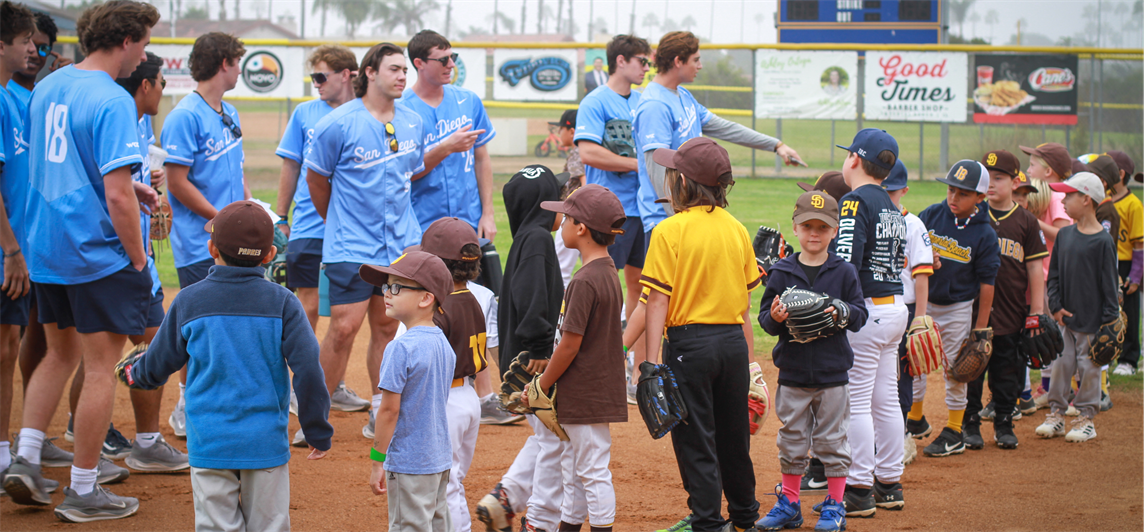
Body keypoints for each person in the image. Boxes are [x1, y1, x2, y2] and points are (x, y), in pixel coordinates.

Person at [3, 0, 160, 521]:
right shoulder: (112, 99)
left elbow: (63, 160)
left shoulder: (50, 83)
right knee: (99, 369)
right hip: (95, 253)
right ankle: (83, 490)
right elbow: (115, 199)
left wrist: (127, 186)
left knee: (57, 355)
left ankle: (25, 460)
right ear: (125, 41)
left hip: (47, 245)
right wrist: (138, 259)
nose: (144, 53)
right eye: (142, 41)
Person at [119, 200, 333, 531]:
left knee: (216, 525)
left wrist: (138, 373)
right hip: (264, 443)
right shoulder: (284, 302)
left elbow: (160, 362)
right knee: (270, 525)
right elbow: (308, 369)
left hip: (210, 440)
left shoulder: (189, 300)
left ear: (211, 248)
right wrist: (315, 427)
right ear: (268, 255)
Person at [303, 42, 425, 442]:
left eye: (404, 70)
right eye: (394, 68)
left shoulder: (412, 122)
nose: (402, 76)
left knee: (388, 328)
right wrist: (336, 222)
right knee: (343, 327)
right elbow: (316, 180)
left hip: (400, 244)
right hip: (352, 244)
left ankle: (379, 411)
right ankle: (314, 416)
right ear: (369, 73)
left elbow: (411, 176)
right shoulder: (338, 123)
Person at [642, 138, 762, 532]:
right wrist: (751, 361)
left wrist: (651, 363)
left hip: (689, 346)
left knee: (696, 442)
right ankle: (745, 516)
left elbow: (656, 302)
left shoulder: (668, 230)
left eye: (673, 172)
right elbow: (744, 306)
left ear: (684, 182)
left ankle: (709, 523)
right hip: (730, 345)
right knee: (733, 437)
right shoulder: (737, 230)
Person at [755, 189, 868, 532]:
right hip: (793, 372)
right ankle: (790, 502)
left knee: (833, 440)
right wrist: (774, 316)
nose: (814, 233)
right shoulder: (782, 271)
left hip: (833, 373)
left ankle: (835, 506)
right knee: (791, 438)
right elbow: (765, 320)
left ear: (834, 230)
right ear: (795, 228)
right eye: (807, 226)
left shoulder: (844, 271)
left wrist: (844, 311)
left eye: (822, 226)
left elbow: (860, 315)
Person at [161, 31, 252, 436]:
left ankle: (225, 397)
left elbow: (239, 172)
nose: (239, 69)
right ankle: (185, 401)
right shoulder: (185, 115)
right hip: (201, 240)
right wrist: (222, 220)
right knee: (197, 322)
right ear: (222, 64)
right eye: (236, 61)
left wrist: (252, 214)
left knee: (235, 320)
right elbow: (177, 181)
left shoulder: (227, 110)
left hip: (235, 237)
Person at [633, 31, 803, 244]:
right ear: (678, 61)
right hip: (668, 223)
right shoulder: (655, 105)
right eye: (696, 60)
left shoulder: (683, 96)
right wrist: (680, 220)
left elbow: (724, 128)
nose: (700, 66)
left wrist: (775, 145)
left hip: (690, 217)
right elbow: (657, 171)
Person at [525, 184, 627, 532]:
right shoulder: (607, 271)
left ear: (581, 228)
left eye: (566, 217)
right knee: (574, 466)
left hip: (587, 393)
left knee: (593, 471)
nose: (562, 223)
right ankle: (568, 526)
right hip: (586, 391)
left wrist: (542, 383)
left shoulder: (584, 280)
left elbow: (569, 344)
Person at [110, 51, 190, 472]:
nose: (162, 88)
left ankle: (111, 436)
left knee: (96, 353)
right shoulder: (120, 117)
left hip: (128, 259)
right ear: (145, 85)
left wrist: (149, 181)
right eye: (160, 81)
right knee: (150, 345)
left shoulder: (139, 123)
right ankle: (144, 442)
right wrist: (141, 262)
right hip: (124, 261)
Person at [475, 165, 566, 532]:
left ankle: (506, 497)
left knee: (552, 437)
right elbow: (533, 297)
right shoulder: (538, 240)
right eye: (557, 200)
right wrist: (539, 347)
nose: (562, 208)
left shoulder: (527, 238)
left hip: (526, 359)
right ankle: (539, 519)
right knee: (556, 442)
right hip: (534, 362)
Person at [831, 129, 907, 517]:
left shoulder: (854, 200)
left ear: (855, 160)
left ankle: (859, 488)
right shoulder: (892, 206)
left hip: (866, 312)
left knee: (857, 403)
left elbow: (845, 262)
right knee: (886, 398)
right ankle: (889, 484)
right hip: (894, 309)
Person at [575, 35, 651, 403]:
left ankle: (638, 373)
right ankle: (599, 367)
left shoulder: (644, 101)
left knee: (643, 289)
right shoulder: (595, 101)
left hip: (645, 209)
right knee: (603, 289)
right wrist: (639, 164)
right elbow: (587, 152)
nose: (646, 67)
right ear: (620, 61)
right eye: (640, 60)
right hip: (610, 210)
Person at [361, 251, 456, 531]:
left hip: (409, 462)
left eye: (397, 287)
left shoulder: (400, 348)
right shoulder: (443, 344)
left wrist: (377, 460)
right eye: (387, 286)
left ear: (426, 298)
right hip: (439, 458)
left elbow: (389, 410)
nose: (387, 293)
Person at [913, 160, 1000, 459]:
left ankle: (954, 430)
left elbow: (987, 284)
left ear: (980, 198)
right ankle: (915, 418)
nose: (953, 198)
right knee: (915, 359)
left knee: (956, 369)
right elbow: (912, 247)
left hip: (958, 308)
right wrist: (926, 259)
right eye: (951, 190)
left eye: (963, 194)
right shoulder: (933, 214)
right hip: (924, 302)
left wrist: (981, 329)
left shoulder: (986, 234)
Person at [962, 150, 1048, 451]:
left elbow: (1035, 269)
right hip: (974, 311)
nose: (992, 184)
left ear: (1015, 182)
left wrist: (1036, 311)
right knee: (971, 370)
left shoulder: (1025, 221)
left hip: (1011, 311)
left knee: (1006, 372)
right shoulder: (972, 216)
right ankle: (969, 423)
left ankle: (1003, 423)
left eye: (999, 178)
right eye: (987, 178)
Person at [409, 217, 489, 532]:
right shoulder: (473, 299)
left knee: (446, 483)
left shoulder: (440, 310)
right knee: (454, 477)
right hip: (468, 398)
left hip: (445, 401)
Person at [274, 44, 358, 332]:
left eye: (321, 77)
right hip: (309, 225)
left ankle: (334, 377)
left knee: (345, 311)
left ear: (345, 75)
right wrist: (282, 218)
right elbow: (291, 166)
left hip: (352, 229)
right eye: (313, 78)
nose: (316, 84)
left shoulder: (365, 110)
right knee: (307, 309)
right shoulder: (305, 112)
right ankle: (303, 375)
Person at [1037, 173, 1120, 443]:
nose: (1063, 200)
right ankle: (1057, 415)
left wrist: (1109, 321)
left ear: (1086, 199)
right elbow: (1055, 276)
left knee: (1089, 368)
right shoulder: (1065, 236)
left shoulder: (1103, 241)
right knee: (1061, 365)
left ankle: (1086, 418)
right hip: (1065, 319)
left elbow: (1108, 285)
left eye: (1069, 196)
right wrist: (1057, 307)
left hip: (1093, 321)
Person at [402, 30, 497, 241]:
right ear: (419, 63)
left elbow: (481, 159)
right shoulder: (401, 111)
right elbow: (404, 173)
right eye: (443, 59)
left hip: (469, 221)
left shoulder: (468, 100)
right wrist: (446, 148)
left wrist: (488, 214)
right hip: (422, 224)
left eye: (453, 58)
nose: (451, 65)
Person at [0, 0, 37, 496]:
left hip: (19, 249)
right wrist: (11, 250)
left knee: (8, 349)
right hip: (8, 252)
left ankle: (6, 451)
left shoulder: (13, 99)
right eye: (25, 40)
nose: (33, 48)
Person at [883, 160, 933, 468]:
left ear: (904, 190)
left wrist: (920, 320)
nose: (886, 196)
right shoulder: (869, 221)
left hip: (906, 308)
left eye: (891, 191)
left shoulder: (913, 225)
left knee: (902, 378)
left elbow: (922, 275)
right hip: (877, 307)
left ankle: (902, 437)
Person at [1107, 151, 1144, 376]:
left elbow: (1139, 244)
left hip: (1126, 264)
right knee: (1108, 312)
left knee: (1128, 311)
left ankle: (1129, 359)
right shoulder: (1101, 201)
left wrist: (1136, 275)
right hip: (1106, 262)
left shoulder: (1133, 205)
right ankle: (1108, 353)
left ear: (1119, 174)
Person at [6, 11, 71, 113]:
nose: (34, 53)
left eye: (43, 48)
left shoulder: (45, 94)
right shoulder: (5, 94)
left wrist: (68, 83)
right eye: (27, 43)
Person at [552, 108, 583, 288]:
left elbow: (585, 185)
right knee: (592, 263)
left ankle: (560, 312)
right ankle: (622, 312)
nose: (559, 133)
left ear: (571, 131)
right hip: (582, 216)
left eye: (560, 128)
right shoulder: (582, 151)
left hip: (574, 216)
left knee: (560, 270)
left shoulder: (578, 152)